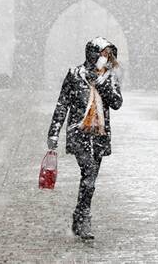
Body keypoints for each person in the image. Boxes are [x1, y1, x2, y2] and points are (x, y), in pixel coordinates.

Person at [47, 37, 123, 240]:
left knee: (90, 180)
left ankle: (79, 215)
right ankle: (83, 219)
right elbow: (62, 104)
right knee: (88, 174)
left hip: (99, 134)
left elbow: (116, 103)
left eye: (108, 54)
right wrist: (54, 132)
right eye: (103, 53)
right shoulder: (74, 75)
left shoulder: (109, 77)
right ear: (92, 53)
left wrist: (103, 84)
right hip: (79, 132)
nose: (105, 58)